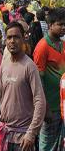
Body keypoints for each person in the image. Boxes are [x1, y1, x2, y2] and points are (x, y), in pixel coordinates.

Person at [0, 22, 46, 151]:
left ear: (24, 38)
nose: (12, 41)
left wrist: (31, 134)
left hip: (23, 139)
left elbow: (40, 102)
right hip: (4, 135)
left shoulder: (29, 67)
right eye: (9, 38)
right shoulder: (5, 64)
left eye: (16, 37)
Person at [33, 8, 65, 150]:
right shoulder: (42, 47)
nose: (64, 27)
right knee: (46, 144)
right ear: (50, 25)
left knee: (59, 143)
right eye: (60, 24)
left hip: (62, 105)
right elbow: (38, 81)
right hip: (50, 107)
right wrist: (45, 109)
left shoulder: (63, 44)